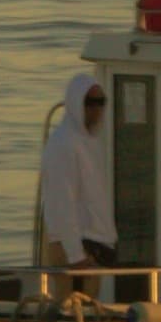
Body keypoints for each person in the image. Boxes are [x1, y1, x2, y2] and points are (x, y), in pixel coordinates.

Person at [38, 75, 115, 275]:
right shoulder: (64, 143)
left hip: (95, 245)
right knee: (72, 305)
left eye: (101, 102)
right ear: (76, 103)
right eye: (90, 103)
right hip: (72, 248)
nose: (96, 109)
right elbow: (62, 201)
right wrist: (75, 255)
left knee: (92, 303)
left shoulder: (92, 143)